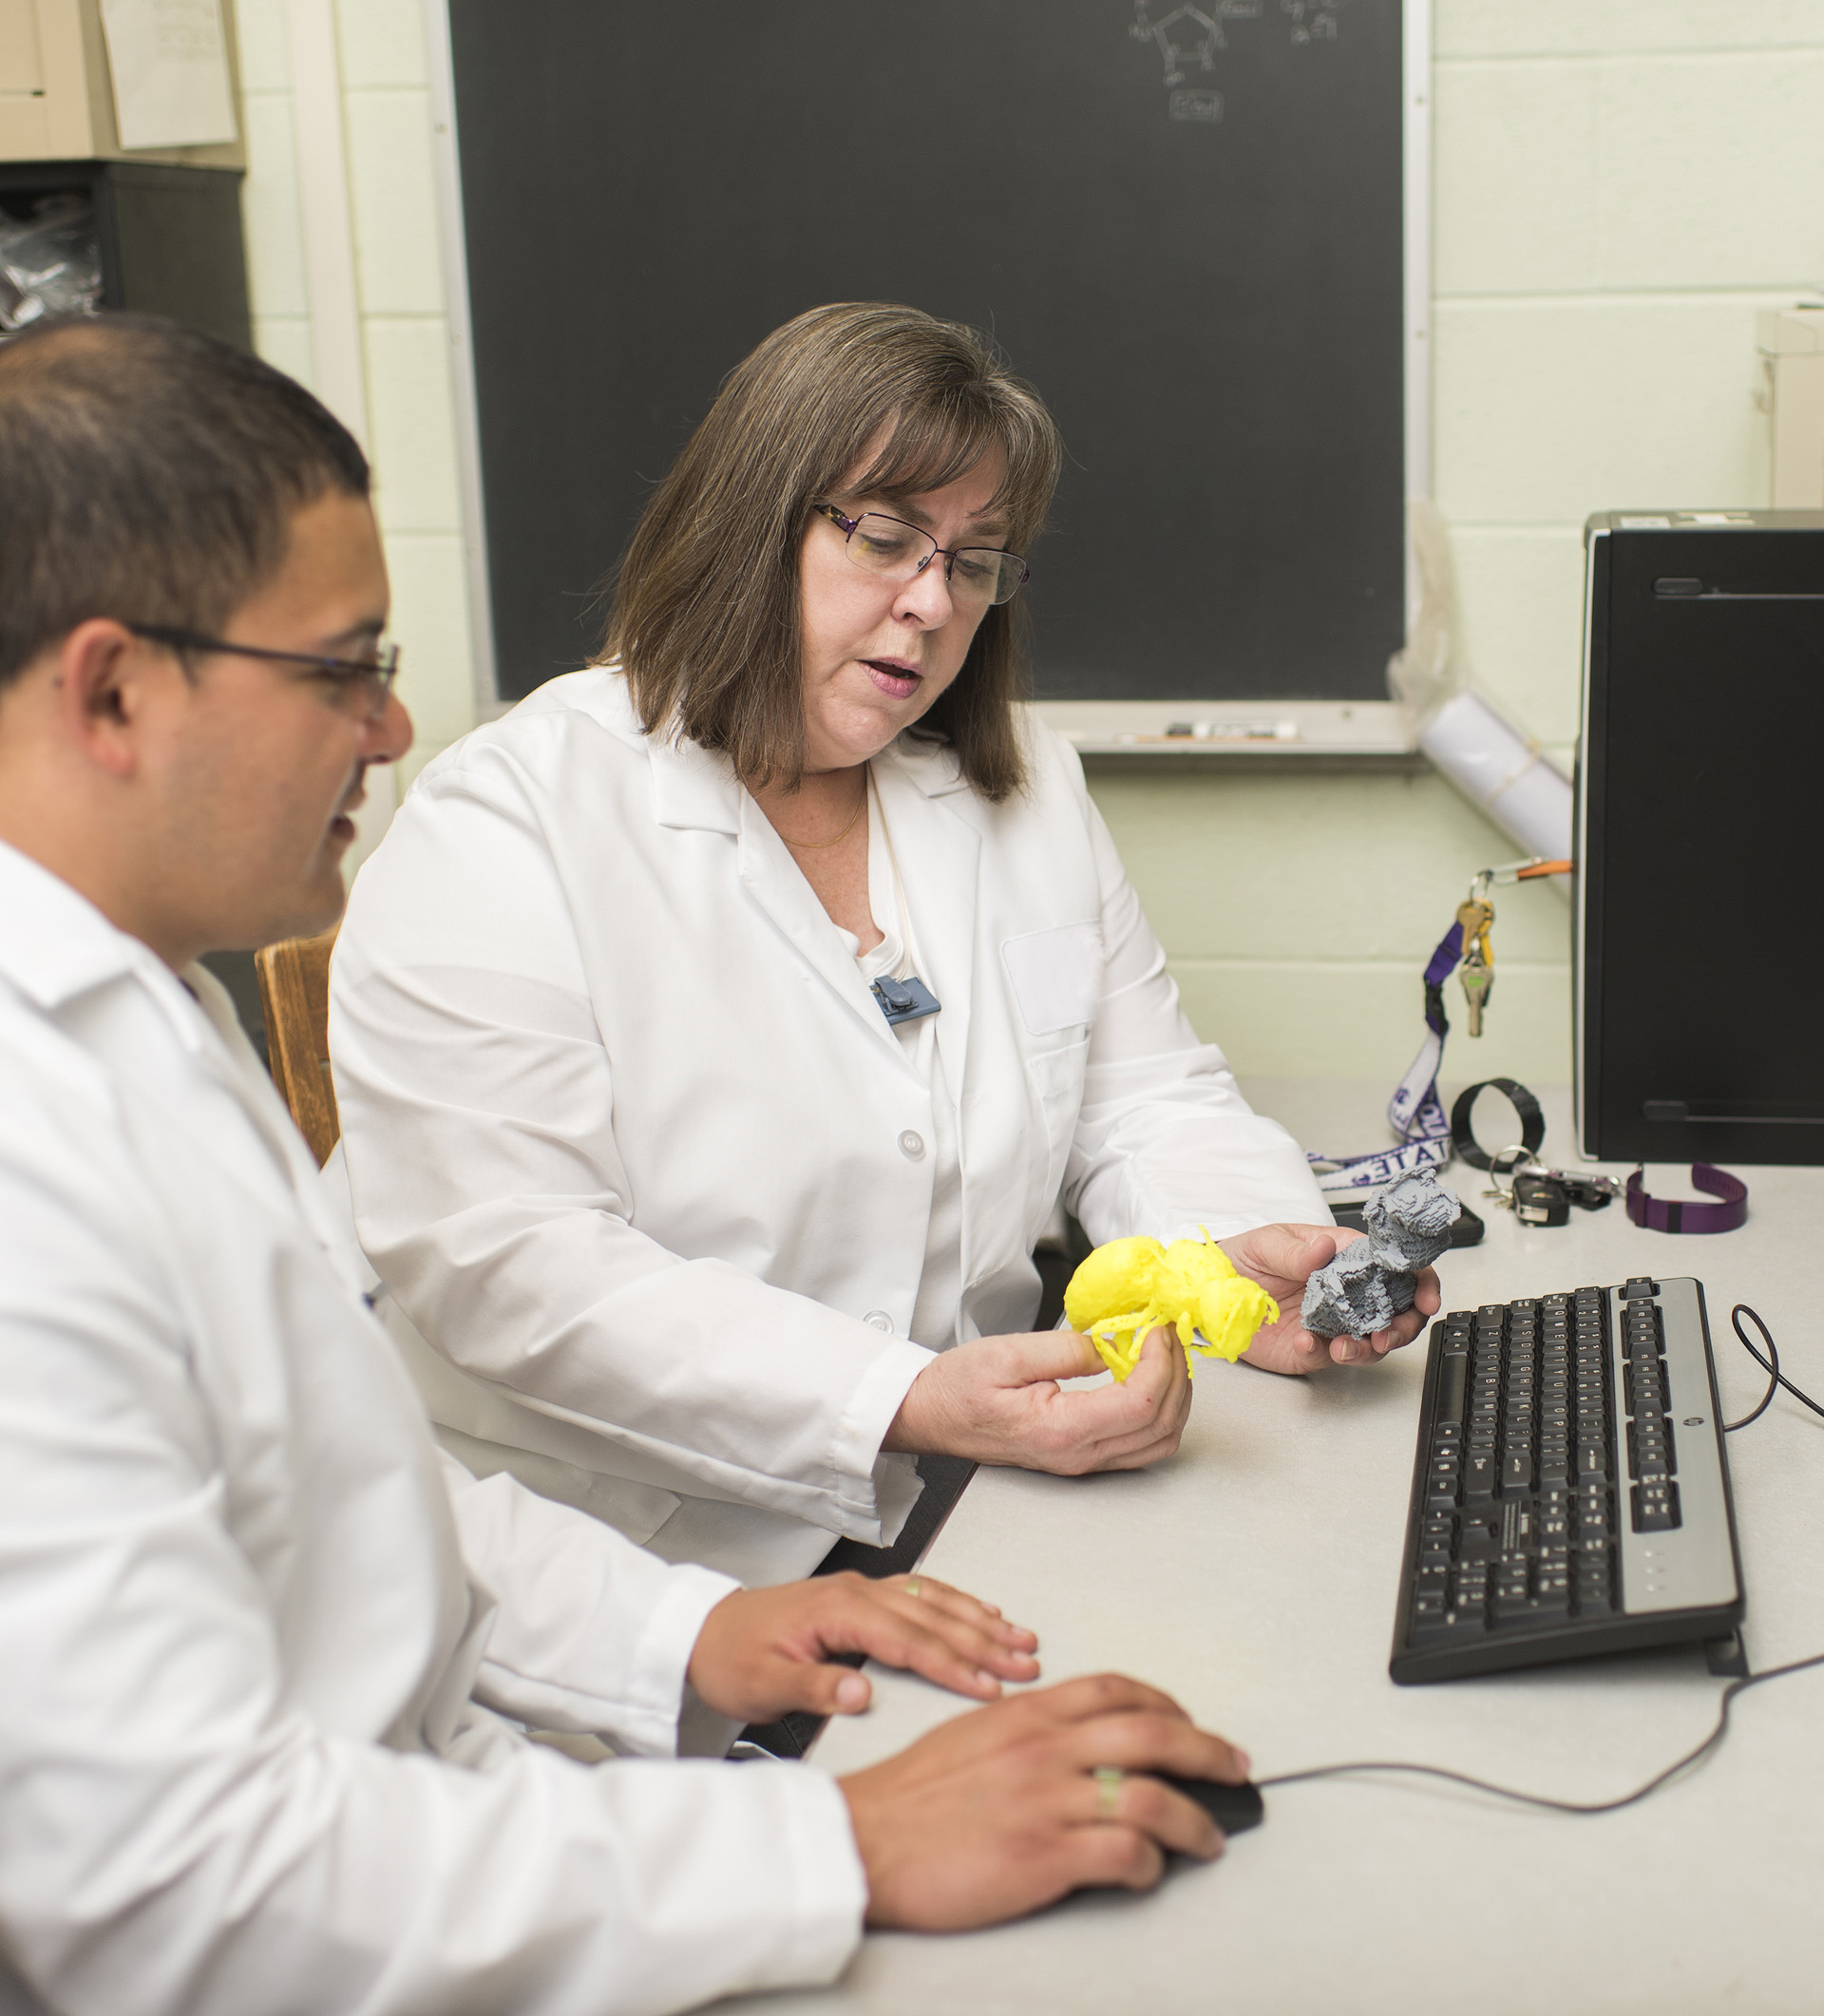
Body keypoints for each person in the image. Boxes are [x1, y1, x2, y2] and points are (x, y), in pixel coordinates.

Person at [0, 315, 1252, 2016]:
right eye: (341, 667)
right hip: (417, 1847)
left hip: (578, 1707)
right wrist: (841, 1851)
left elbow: (347, 1487)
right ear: (112, 689)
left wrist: (679, 1642)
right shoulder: (44, 1141)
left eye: (970, 560)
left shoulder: (143, 1002)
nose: (389, 729)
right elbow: (175, 1888)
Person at [329, 301, 1441, 1588]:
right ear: (752, 518)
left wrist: (1252, 1276)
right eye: (883, 538)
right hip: (612, 1563)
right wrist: (899, 1399)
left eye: (975, 560)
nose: (929, 601)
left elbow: (1143, 1102)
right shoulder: (513, 817)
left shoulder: (1024, 799)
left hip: (958, 1509)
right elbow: (514, 1262)